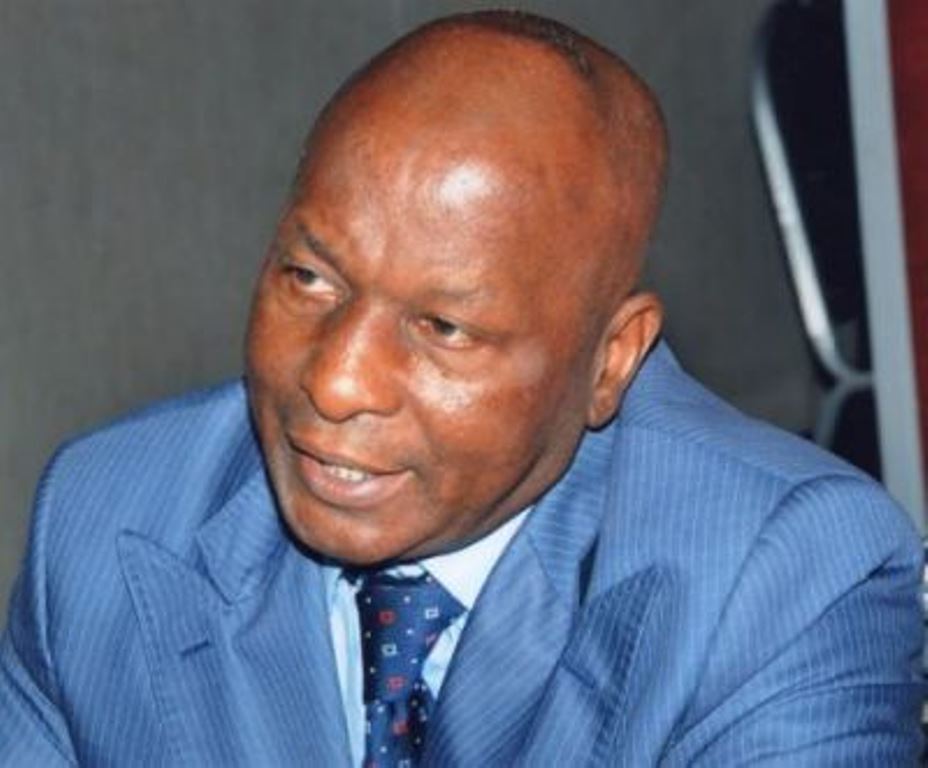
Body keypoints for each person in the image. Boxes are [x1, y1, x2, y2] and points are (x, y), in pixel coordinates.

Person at [1, 10, 923, 766]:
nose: (336, 380)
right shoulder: (109, 514)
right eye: (309, 279)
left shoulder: (782, 577)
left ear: (611, 360)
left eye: (443, 328)